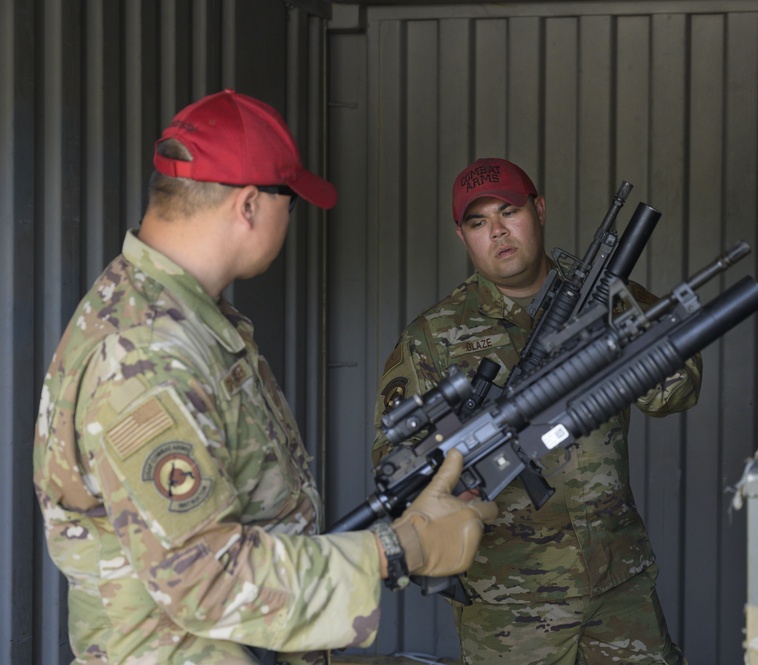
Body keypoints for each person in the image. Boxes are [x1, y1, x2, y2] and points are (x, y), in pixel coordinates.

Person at [32, 89, 497, 665]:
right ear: (249, 205)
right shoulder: (147, 354)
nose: (290, 219)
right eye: (291, 202)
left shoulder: (189, 319)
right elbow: (204, 578)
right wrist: (398, 549)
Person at [372, 157, 703, 665]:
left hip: (618, 584)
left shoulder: (606, 293)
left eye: (510, 211)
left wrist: (613, 344)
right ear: (461, 236)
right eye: (478, 222)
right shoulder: (434, 338)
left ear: (540, 209)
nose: (498, 232)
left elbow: (677, 392)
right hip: (509, 604)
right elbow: (396, 465)